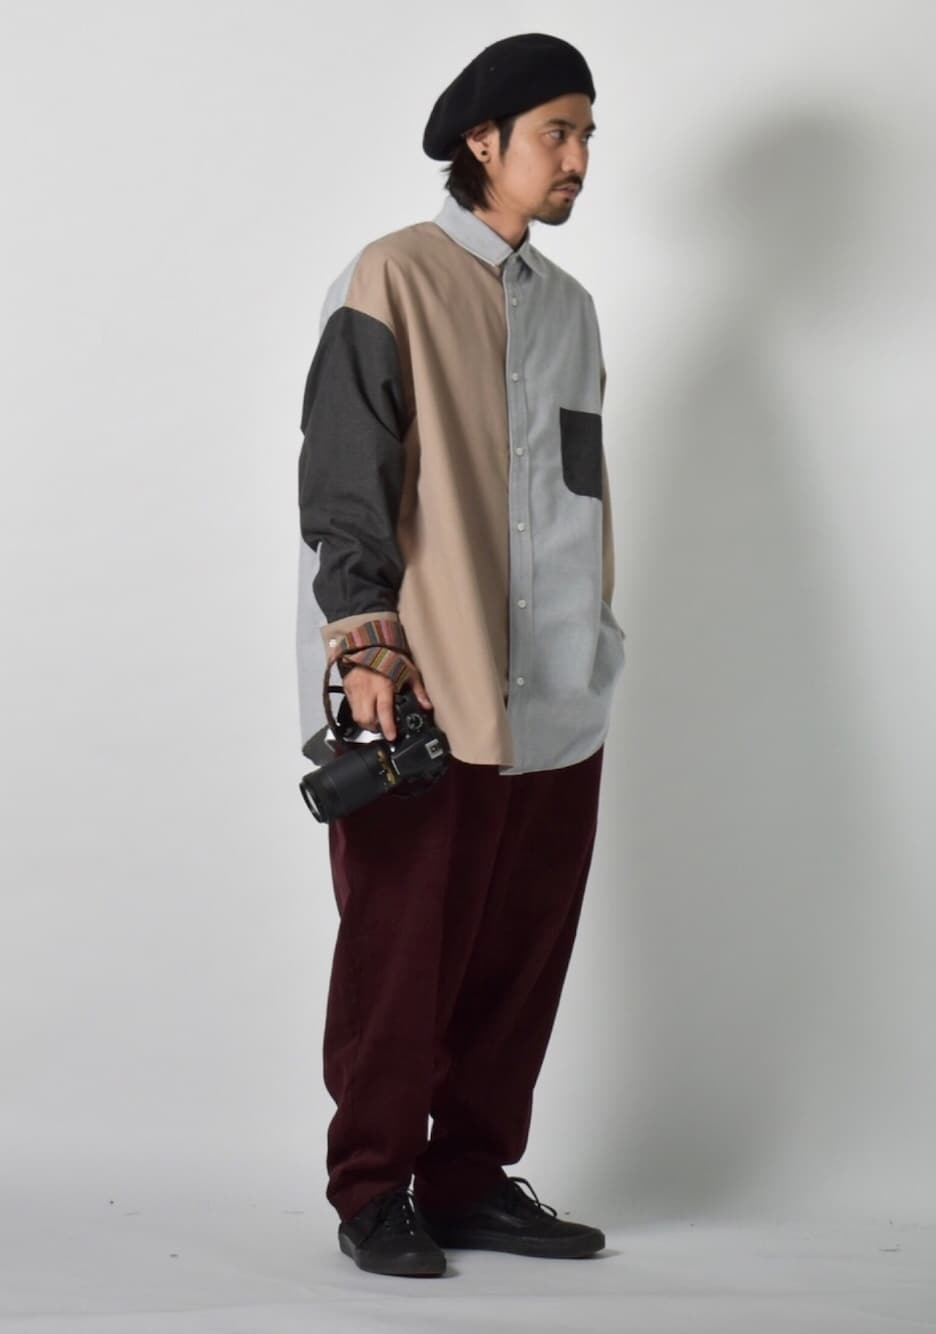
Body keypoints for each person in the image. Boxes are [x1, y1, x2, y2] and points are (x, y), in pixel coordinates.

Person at [296, 32, 626, 1278]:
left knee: (518, 952)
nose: (578, 158)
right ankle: (374, 1185)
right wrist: (365, 639)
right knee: (400, 952)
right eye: (557, 132)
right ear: (482, 141)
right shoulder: (391, 277)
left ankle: (471, 1177)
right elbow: (346, 476)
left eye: (586, 135)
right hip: (424, 686)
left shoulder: (573, 311)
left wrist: (594, 638)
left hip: (557, 691)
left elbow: (578, 492)